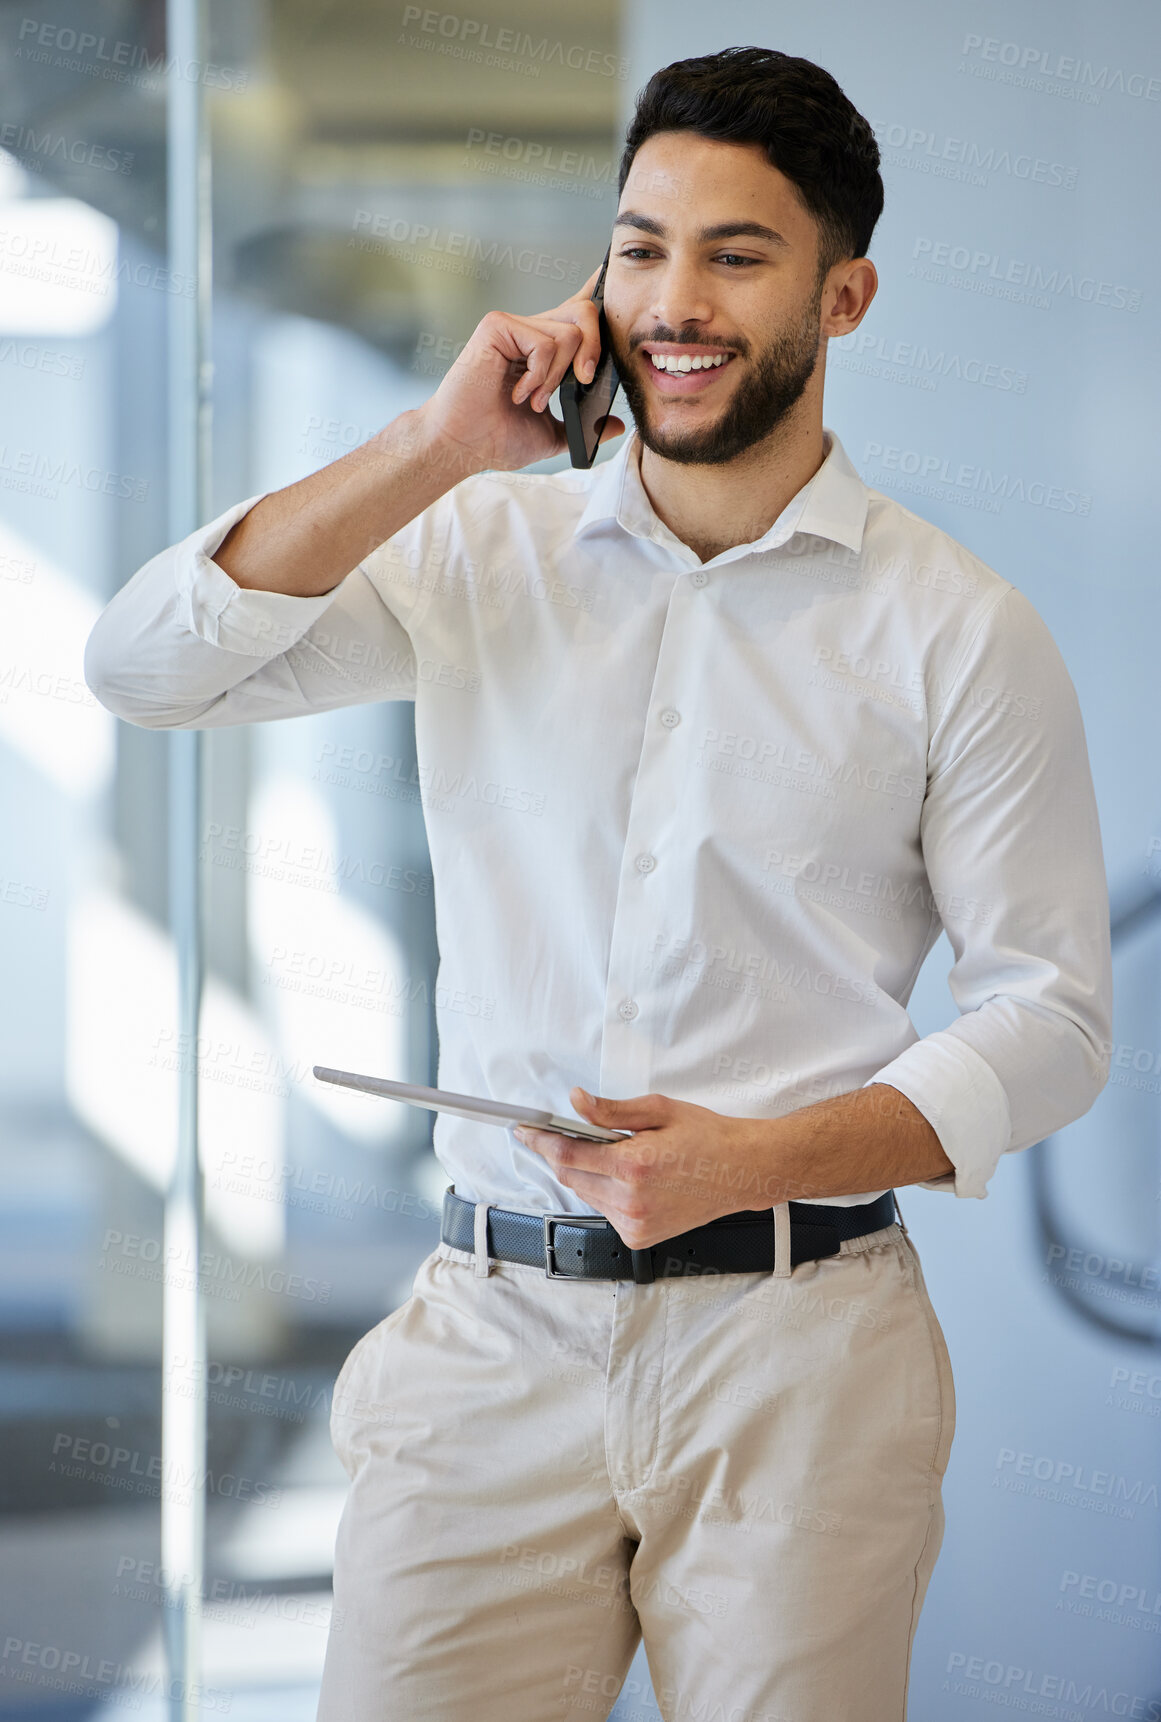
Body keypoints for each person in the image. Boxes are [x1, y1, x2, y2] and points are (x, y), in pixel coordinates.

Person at [84, 45, 1112, 1722]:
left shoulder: (955, 629)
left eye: (735, 253)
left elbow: (1051, 1019)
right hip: (485, 1343)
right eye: (639, 247)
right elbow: (145, 665)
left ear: (842, 296)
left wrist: (754, 1158)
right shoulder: (476, 545)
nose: (673, 301)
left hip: (800, 1357)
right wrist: (432, 444)